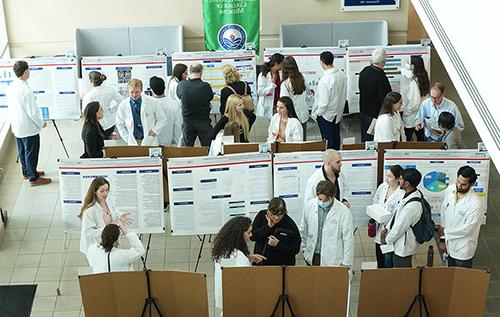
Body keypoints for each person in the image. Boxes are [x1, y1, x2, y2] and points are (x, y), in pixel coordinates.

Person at [7, 60, 51, 186]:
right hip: (28, 127)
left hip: (17, 126)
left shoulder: (11, 87)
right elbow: (33, 112)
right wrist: (41, 123)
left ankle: (27, 172)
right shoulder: (26, 91)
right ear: (26, 71)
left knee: (22, 151)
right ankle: (34, 178)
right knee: (31, 152)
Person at [212, 216, 265, 310]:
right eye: (248, 232)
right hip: (238, 303)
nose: (251, 235)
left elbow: (229, 271)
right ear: (240, 234)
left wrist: (248, 257)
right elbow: (244, 281)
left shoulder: (224, 251)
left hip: (225, 300)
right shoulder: (239, 255)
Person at [436, 166, 482, 268]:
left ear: (471, 184)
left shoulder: (475, 203)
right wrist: (442, 240)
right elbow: (444, 213)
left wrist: (445, 232)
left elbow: (468, 229)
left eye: (463, 184)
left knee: (462, 280)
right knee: (449, 275)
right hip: (448, 245)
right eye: (458, 182)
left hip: (463, 250)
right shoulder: (450, 190)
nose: (459, 186)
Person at [300, 180, 353, 266]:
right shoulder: (310, 205)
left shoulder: (344, 212)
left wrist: (346, 263)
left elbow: (348, 240)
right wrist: (304, 249)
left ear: (331, 197)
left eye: (323, 200)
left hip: (332, 259)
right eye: (319, 199)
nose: (320, 202)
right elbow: (303, 228)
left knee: (329, 279)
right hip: (313, 255)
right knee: (313, 278)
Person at [380, 168, 423, 268]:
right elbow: (396, 213)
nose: (398, 181)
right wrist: (387, 228)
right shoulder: (406, 194)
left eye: (400, 179)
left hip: (403, 248)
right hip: (397, 242)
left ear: (407, 183)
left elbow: (399, 227)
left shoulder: (412, 206)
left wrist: (387, 239)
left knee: (401, 275)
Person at [79, 177, 132, 256]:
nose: (105, 193)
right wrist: (109, 228)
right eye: (102, 191)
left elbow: (113, 211)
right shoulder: (90, 211)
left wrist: (120, 215)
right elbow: (88, 232)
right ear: (95, 192)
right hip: (97, 247)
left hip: (110, 243)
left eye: (107, 190)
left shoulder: (108, 200)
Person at [312, 51, 347, 150]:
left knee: (328, 142)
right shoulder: (341, 75)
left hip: (326, 115)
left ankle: (329, 162)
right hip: (337, 114)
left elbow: (323, 103)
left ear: (322, 62)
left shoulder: (325, 79)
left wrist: (317, 114)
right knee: (336, 140)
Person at [250, 197, 301, 266]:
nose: (277, 218)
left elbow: (295, 249)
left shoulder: (289, 224)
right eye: (273, 214)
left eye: (280, 214)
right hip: (261, 263)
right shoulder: (262, 216)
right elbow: (252, 236)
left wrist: (278, 245)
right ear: (268, 211)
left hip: (282, 266)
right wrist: (268, 227)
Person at [115, 78, 167, 146]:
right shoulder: (123, 105)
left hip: (150, 139)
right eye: (132, 92)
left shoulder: (152, 102)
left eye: (137, 92)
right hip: (133, 140)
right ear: (128, 91)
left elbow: (162, 119)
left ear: (141, 90)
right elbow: (119, 124)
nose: (134, 95)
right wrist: (127, 138)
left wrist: (155, 131)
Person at [372, 165, 405, 268]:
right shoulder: (383, 187)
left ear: (398, 179)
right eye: (386, 176)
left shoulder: (402, 193)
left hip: (391, 231)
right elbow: (375, 200)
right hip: (380, 228)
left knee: (388, 260)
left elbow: (399, 214)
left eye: (390, 177)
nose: (386, 179)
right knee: (379, 257)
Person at [358, 48, 392, 142]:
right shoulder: (381, 76)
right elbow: (386, 97)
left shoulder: (364, 71)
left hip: (364, 112)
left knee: (366, 140)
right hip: (376, 115)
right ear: (383, 61)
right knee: (376, 141)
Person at [177, 63, 214, 146]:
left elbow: (179, 96)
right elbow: (210, 97)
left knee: (187, 149)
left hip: (187, 122)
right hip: (203, 122)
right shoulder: (206, 86)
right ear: (201, 72)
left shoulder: (181, 85)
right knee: (208, 147)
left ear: (189, 72)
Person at [82, 71, 123, 139]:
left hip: (97, 125)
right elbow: (121, 102)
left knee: (99, 145)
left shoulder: (88, 96)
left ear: (91, 81)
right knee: (110, 145)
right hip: (110, 123)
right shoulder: (110, 90)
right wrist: (112, 110)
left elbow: (85, 112)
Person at [280, 56, 312, 140]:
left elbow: (284, 102)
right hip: (303, 115)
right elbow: (308, 93)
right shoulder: (303, 78)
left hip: (291, 117)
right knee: (303, 140)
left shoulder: (285, 84)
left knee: (291, 142)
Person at [400, 56, 429, 141]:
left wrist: (406, 112)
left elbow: (414, 103)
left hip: (411, 117)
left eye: (408, 63)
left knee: (407, 140)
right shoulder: (423, 76)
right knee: (420, 139)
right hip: (420, 115)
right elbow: (408, 73)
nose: (407, 65)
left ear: (413, 66)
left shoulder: (414, 82)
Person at [149, 76, 182, 146]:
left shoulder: (147, 104)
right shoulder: (173, 104)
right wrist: (177, 140)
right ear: (164, 88)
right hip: (167, 143)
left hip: (150, 142)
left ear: (151, 90)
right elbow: (178, 125)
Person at [256, 53, 284, 119]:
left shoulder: (280, 73)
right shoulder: (263, 75)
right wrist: (272, 85)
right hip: (270, 105)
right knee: (274, 126)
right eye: (282, 63)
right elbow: (260, 92)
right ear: (276, 64)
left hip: (279, 104)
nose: (283, 66)